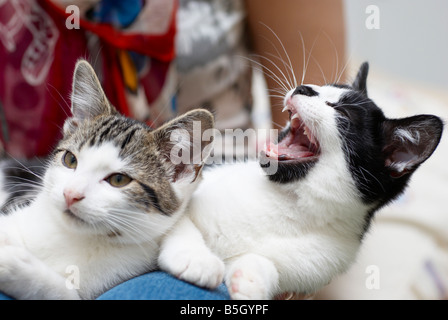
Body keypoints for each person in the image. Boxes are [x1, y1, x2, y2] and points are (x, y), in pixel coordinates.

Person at [0, 0, 346, 299]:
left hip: (209, 202)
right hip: (17, 179)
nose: (73, 193)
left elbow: (324, 137)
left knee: (175, 293)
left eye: (117, 179)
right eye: (71, 160)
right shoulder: (45, 207)